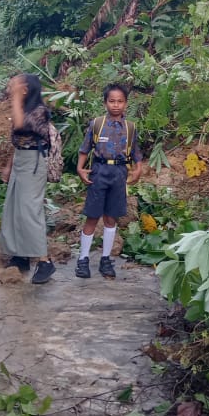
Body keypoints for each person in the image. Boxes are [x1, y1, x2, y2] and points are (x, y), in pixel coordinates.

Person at [75, 83, 143, 280]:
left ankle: (106, 259)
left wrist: (138, 169)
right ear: (105, 102)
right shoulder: (97, 124)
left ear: (126, 104)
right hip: (99, 171)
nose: (116, 105)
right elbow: (84, 148)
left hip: (119, 173)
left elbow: (136, 153)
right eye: (112, 101)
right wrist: (80, 168)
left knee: (111, 217)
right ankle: (83, 259)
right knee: (92, 216)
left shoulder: (130, 128)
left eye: (120, 101)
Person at [0, 74, 56, 285]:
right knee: (14, 208)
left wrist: (14, 98)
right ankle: (20, 255)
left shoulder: (39, 111)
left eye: (14, 84)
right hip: (21, 159)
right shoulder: (22, 108)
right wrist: (8, 166)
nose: (9, 85)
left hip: (33, 163)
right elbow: (18, 141)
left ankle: (44, 260)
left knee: (30, 210)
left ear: (24, 90)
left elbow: (21, 126)